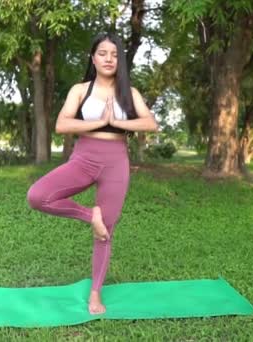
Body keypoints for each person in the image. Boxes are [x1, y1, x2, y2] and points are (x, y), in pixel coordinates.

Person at [26, 33, 158, 315]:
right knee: (38, 196)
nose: (108, 58)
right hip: (83, 158)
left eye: (114, 54)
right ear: (93, 58)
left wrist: (118, 122)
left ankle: (95, 294)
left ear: (119, 59)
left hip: (116, 163)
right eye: (102, 53)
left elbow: (150, 123)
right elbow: (62, 124)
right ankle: (90, 216)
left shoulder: (129, 93)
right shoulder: (80, 90)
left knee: (105, 234)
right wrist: (102, 121)